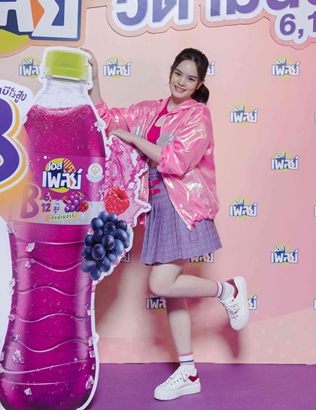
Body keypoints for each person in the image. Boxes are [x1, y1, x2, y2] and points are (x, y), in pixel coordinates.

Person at [88, 47, 249, 401]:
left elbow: (176, 161)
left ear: (199, 84)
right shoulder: (150, 110)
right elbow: (108, 120)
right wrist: (95, 80)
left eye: (190, 79)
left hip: (182, 204)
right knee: (172, 292)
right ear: (171, 71)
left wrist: (134, 139)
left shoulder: (198, 116)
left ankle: (228, 292)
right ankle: (188, 371)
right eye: (179, 73)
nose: (182, 82)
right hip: (157, 207)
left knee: (161, 283)